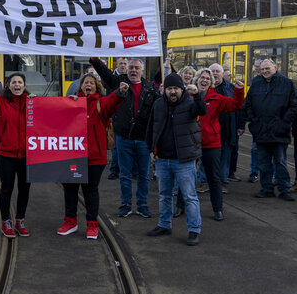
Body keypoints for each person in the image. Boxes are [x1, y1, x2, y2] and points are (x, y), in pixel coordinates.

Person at [57, 75, 128, 239]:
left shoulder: (101, 103)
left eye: (91, 83)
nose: (88, 85)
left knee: (90, 191)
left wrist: (120, 92)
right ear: (80, 87)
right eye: (85, 83)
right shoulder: (71, 102)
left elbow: (113, 101)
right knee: (70, 189)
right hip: (73, 156)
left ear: (97, 87)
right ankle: (70, 221)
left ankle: (92, 225)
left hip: (95, 157)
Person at [91, 57, 159, 218]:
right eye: (131, 68)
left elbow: (157, 113)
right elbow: (103, 72)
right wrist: (95, 58)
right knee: (125, 174)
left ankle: (142, 205)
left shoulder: (151, 88)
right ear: (126, 70)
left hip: (143, 139)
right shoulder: (118, 82)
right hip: (124, 137)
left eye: (137, 68)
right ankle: (126, 204)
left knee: (143, 175)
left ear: (143, 71)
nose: (133, 70)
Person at [146, 73, 207, 246]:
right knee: (164, 195)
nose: (172, 92)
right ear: (164, 90)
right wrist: (151, 149)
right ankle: (164, 224)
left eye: (176, 89)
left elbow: (202, 110)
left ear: (182, 89)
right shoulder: (158, 104)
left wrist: (197, 95)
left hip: (184, 160)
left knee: (189, 196)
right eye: (169, 89)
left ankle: (194, 229)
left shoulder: (190, 102)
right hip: (162, 159)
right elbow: (151, 127)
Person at [0, 69, 33, 237]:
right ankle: (6, 221)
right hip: (6, 155)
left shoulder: (32, 102)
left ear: (24, 86)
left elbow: (55, 108)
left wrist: (73, 100)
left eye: (19, 82)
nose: (17, 85)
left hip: (27, 155)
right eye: (14, 82)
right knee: (7, 189)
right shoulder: (1, 102)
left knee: (24, 189)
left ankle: (20, 220)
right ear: (9, 86)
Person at [243, 58, 297, 201]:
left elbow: (296, 105)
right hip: (261, 130)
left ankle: (284, 189)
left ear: (275, 68)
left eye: (267, 68)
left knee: (280, 161)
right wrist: (254, 121)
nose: (264, 71)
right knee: (263, 162)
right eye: (262, 69)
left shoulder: (287, 83)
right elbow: (248, 104)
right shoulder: (256, 83)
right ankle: (267, 188)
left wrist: (284, 121)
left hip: (279, 131)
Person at [195, 68, 244, 221]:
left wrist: (239, 90)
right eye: (202, 78)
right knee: (188, 177)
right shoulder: (188, 97)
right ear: (197, 80)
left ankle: (218, 209)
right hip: (191, 143)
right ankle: (180, 207)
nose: (204, 80)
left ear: (211, 83)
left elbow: (236, 105)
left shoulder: (217, 98)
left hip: (211, 143)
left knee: (214, 178)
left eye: (207, 79)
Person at [209, 63, 240, 187]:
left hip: (226, 130)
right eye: (213, 71)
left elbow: (238, 107)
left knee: (225, 157)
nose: (215, 73)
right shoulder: (205, 87)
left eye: (218, 71)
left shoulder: (231, 88)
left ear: (223, 74)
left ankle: (223, 181)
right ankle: (204, 181)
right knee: (208, 158)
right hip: (209, 131)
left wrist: (240, 125)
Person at [107, 57, 129, 180]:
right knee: (115, 144)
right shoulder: (112, 78)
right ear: (117, 64)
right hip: (114, 114)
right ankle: (114, 169)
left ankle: (127, 169)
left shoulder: (131, 78)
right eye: (121, 63)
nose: (123, 66)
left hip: (127, 115)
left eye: (125, 63)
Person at [247, 58, 264, 183]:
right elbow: (249, 101)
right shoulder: (255, 81)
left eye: (259, 66)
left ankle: (271, 173)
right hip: (258, 122)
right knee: (255, 148)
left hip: (271, 123)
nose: (257, 68)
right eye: (256, 66)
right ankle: (254, 171)